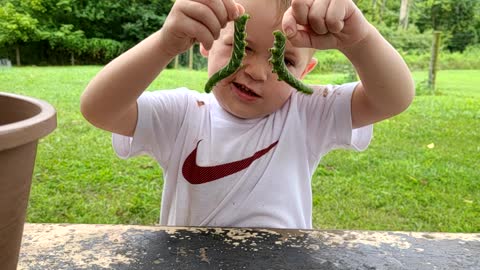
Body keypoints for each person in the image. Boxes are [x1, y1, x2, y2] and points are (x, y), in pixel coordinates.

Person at [80, 0, 414, 229]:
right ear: (207, 43)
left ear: (305, 71)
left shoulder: (309, 114)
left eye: (284, 60)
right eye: (242, 46)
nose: (256, 72)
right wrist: (165, 44)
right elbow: (98, 109)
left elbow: (392, 99)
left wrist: (360, 40)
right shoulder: (181, 114)